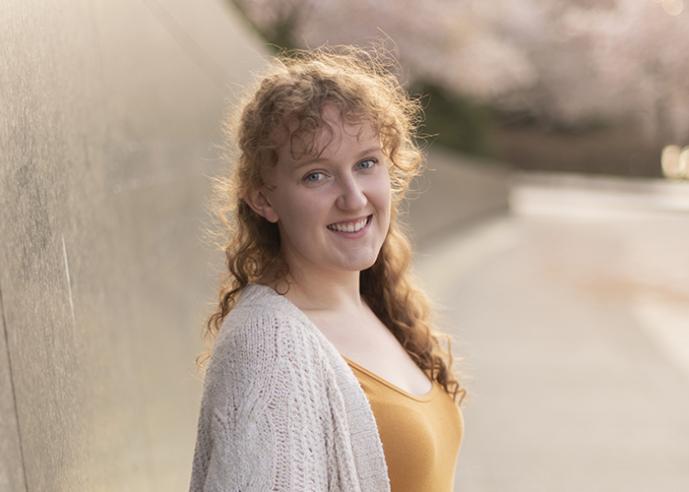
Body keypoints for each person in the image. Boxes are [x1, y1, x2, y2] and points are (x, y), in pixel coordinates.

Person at [189, 45, 466, 492]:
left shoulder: (378, 305)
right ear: (263, 198)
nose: (354, 198)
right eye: (317, 175)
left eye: (366, 163)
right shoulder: (270, 349)